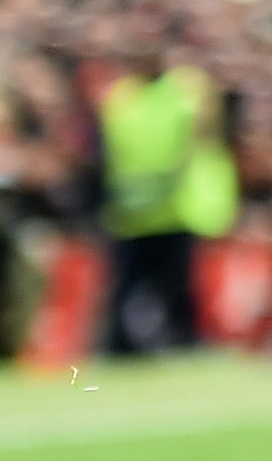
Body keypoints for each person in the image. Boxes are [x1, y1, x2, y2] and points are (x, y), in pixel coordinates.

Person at [94, 29, 235, 356]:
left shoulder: (183, 90)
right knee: (127, 287)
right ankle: (122, 348)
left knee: (180, 285)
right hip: (134, 212)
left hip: (173, 208)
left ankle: (184, 341)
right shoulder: (120, 97)